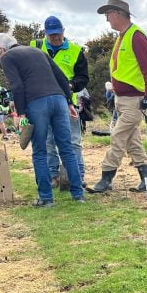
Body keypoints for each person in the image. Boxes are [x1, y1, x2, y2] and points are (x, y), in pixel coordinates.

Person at [0, 32, 84, 206]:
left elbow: (17, 85)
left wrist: (21, 113)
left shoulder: (8, 57)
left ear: (2, 49)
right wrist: (69, 102)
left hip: (37, 103)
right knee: (66, 149)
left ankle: (46, 198)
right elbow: (61, 76)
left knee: (40, 152)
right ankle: (78, 194)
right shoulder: (38, 51)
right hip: (59, 100)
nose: (0, 57)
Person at [91, 0, 147, 193]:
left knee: (118, 137)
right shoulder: (121, 37)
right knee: (132, 141)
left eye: (108, 15)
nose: (106, 19)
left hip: (135, 101)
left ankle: (106, 177)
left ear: (117, 13)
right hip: (121, 99)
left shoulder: (136, 36)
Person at [30, 16, 88, 188]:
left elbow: (83, 77)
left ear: (63, 32)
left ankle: (78, 175)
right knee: (48, 141)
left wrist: (71, 85)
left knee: (73, 141)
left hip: (68, 99)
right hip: (42, 100)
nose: (55, 38)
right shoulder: (35, 47)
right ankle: (53, 176)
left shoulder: (76, 50)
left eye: (57, 34)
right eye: (51, 35)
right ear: (45, 34)